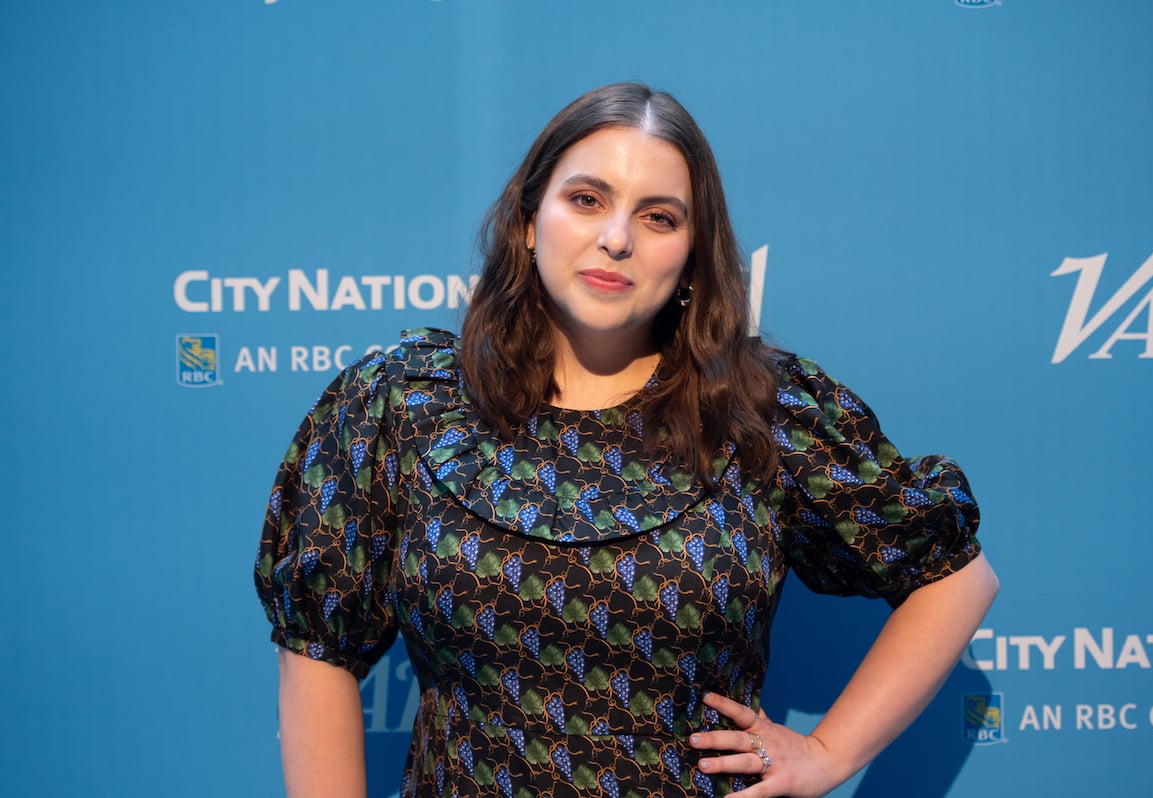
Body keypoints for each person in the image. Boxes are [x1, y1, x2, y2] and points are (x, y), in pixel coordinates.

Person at [254, 82, 998, 798]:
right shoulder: (401, 402)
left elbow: (956, 577)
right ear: (526, 218)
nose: (615, 239)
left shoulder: (762, 409)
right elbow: (317, 653)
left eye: (659, 217)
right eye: (587, 200)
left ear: (693, 255)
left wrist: (831, 750)